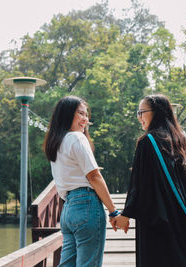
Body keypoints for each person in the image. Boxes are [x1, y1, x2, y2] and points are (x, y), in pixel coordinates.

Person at [111, 94, 186, 267]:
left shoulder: (148, 142)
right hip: (183, 224)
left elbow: (140, 184)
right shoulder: (180, 141)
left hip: (159, 224)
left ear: (156, 113)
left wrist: (125, 215)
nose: (139, 117)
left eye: (142, 112)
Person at [44, 96, 119, 267]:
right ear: (67, 115)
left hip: (68, 210)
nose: (85, 119)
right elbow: (94, 176)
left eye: (86, 115)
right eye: (80, 114)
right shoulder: (77, 138)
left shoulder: (55, 143)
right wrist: (113, 211)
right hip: (86, 206)